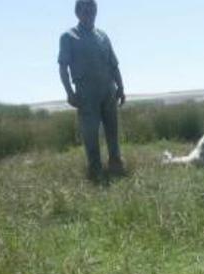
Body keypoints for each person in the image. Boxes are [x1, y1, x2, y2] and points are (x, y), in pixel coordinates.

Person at [58, 0, 127, 183]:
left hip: (108, 89)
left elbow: (114, 64)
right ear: (77, 12)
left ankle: (115, 165)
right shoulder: (68, 36)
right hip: (86, 92)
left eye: (93, 8)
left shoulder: (103, 36)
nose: (90, 12)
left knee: (112, 130)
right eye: (85, 8)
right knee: (90, 133)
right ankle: (95, 171)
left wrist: (120, 87)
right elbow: (63, 67)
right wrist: (69, 92)